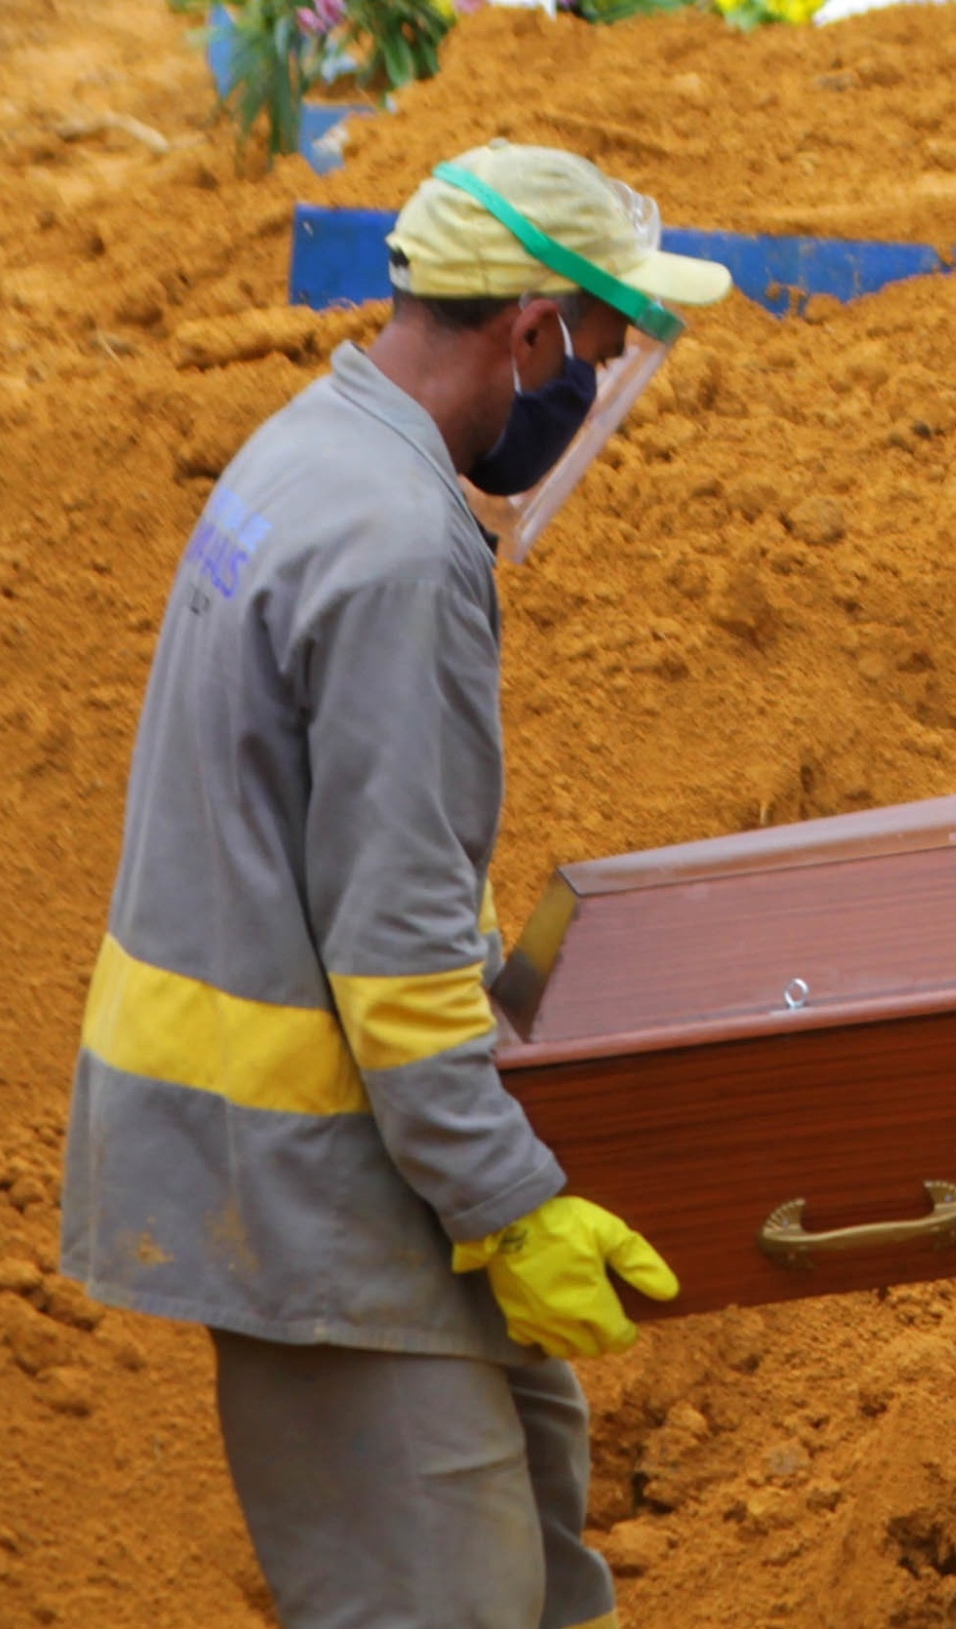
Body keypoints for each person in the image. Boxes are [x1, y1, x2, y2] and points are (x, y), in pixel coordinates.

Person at [64, 142, 733, 1629]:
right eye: (602, 347)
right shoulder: (399, 546)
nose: (592, 393)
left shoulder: (312, 447)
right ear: (534, 328)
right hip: (315, 1178)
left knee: (545, 1565)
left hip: (320, 1149)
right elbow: (398, 946)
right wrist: (509, 1198)